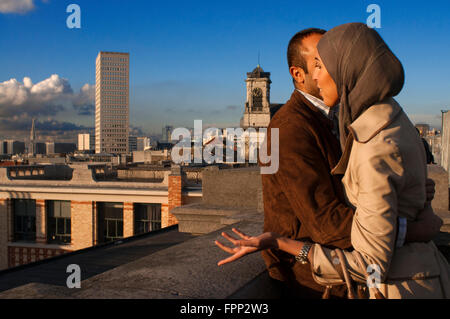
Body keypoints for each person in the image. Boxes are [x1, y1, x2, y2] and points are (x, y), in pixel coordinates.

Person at [216, 23, 450, 298]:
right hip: (316, 280)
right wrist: (410, 229)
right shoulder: (287, 129)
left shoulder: (345, 118)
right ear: (297, 74)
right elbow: (325, 224)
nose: (322, 70)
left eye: (328, 62)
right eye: (317, 62)